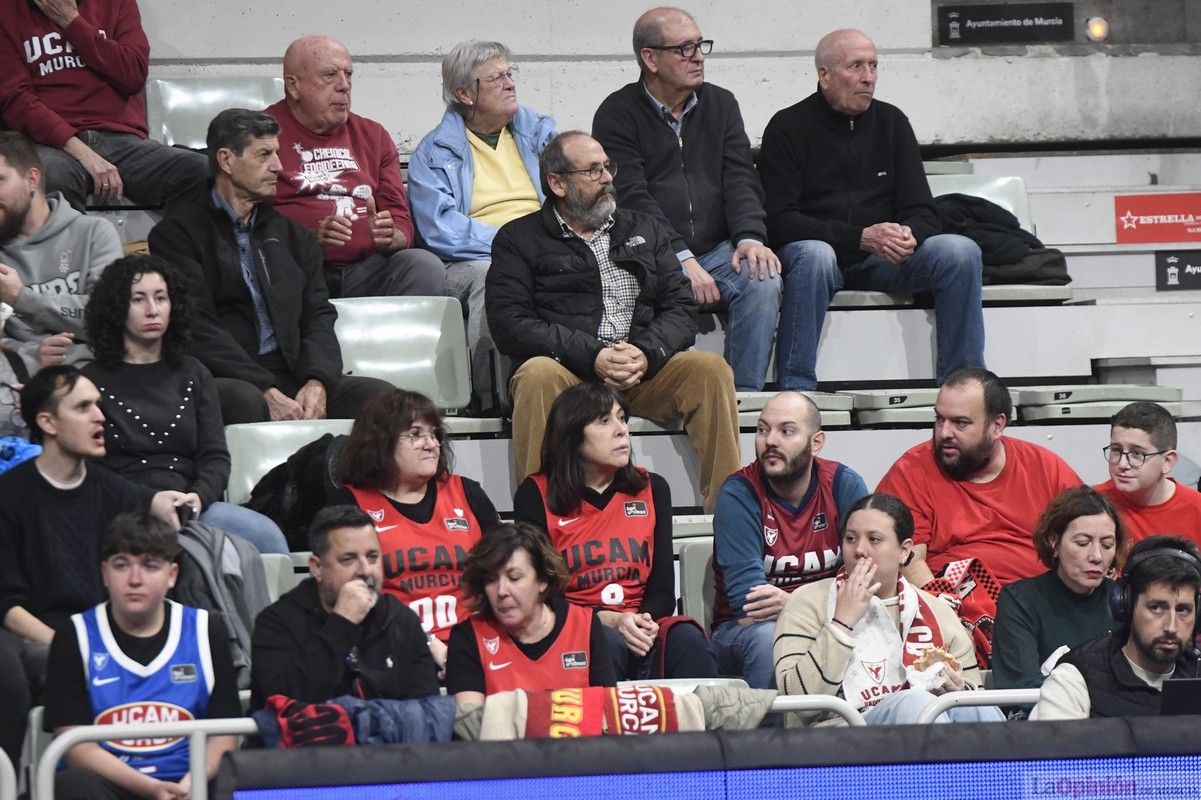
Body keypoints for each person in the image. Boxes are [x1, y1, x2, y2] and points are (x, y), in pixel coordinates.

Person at [486, 130, 739, 513]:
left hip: (643, 371)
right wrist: (593, 356)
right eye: (592, 171)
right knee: (535, 375)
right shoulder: (518, 239)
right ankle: (537, 525)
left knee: (709, 369)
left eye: (608, 167)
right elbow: (510, 323)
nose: (607, 178)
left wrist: (645, 352)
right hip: (570, 375)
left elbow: (680, 306)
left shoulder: (645, 228)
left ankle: (728, 516)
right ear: (557, 183)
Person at [756, 29, 985, 391]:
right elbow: (779, 222)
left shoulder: (892, 123)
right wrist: (859, 238)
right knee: (813, 255)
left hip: (885, 259)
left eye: (874, 66)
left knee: (959, 251)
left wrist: (910, 234)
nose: (869, 77)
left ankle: (965, 388)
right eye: (856, 66)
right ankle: (796, 389)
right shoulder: (788, 127)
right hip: (821, 258)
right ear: (824, 75)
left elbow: (924, 211)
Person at [0, 365, 196, 767]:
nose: (100, 417)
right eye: (84, 407)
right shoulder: (10, 496)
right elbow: (5, 604)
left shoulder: (116, 491)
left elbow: (145, 568)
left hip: (112, 632)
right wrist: (74, 647)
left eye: (99, 406)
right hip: (41, 637)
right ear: (47, 422)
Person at [148, 108, 392, 424]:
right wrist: (264, 387)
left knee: (387, 402)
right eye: (265, 154)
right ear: (226, 160)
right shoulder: (177, 237)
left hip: (292, 373)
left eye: (277, 153)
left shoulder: (294, 237)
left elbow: (318, 315)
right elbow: (196, 326)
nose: (278, 166)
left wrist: (318, 381)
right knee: (246, 402)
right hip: (225, 377)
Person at [592, 7, 781, 391]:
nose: (698, 57)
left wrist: (749, 237)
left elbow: (741, 178)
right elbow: (632, 199)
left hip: (717, 249)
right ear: (650, 58)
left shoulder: (722, 104)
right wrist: (680, 257)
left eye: (700, 45)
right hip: (651, 255)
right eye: (684, 49)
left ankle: (744, 398)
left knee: (762, 278)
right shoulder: (617, 113)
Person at [81, 253, 289, 553]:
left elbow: (215, 456)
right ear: (116, 308)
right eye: (138, 299)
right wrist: (147, 501)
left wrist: (198, 497)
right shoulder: (90, 380)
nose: (152, 310)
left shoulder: (194, 372)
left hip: (190, 505)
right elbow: (86, 469)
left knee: (267, 538)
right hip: (120, 505)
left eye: (161, 298)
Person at [514, 382, 717, 680]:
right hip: (575, 630)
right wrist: (608, 620)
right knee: (604, 642)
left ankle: (699, 727)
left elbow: (662, 590)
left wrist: (636, 622)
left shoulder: (653, 489)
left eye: (622, 418)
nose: (622, 430)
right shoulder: (535, 495)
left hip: (642, 625)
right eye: (604, 421)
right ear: (572, 435)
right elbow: (538, 595)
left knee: (687, 638)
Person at [44, 512, 240, 800]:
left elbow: (226, 733)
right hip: (110, 784)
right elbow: (75, 748)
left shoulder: (205, 629)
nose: (135, 579)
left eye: (150, 566)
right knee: (74, 788)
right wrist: (151, 789)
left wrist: (190, 785)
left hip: (191, 782)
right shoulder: (75, 635)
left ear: (171, 575)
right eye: (122, 566)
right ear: (104, 574)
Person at [409, 40, 556, 411]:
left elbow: (573, 192)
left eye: (510, 73)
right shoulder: (434, 153)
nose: (510, 83)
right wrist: (517, 246)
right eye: (496, 78)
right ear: (464, 93)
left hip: (547, 243)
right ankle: (494, 401)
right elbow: (441, 231)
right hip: (474, 258)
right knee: (493, 276)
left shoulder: (542, 135)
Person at [773, 493, 1000, 726]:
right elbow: (799, 702)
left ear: (904, 550)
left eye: (874, 539)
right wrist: (842, 622)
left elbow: (975, 692)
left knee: (976, 710)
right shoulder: (808, 601)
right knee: (916, 703)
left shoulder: (937, 609)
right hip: (838, 736)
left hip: (925, 728)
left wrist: (958, 687)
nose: (860, 549)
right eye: (851, 539)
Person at [331, 388, 502, 673]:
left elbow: (504, 572)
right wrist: (425, 643)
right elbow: (350, 596)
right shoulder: (351, 503)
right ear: (380, 442)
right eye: (415, 434)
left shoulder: (466, 493)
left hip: (475, 645)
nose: (431, 444)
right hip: (391, 650)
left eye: (434, 434)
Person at [267, 36, 444, 300]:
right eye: (330, 75)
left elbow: (399, 217)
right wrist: (307, 240)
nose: (344, 85)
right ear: (293, 86)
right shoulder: (261, 134)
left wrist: (391, 236)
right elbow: (247, 220)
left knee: (423, 266)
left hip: (366, 269)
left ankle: (397, 343)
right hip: (295, 268)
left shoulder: (373, 135)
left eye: (348, 74)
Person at [711, 391, 869, 689]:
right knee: (766, 636)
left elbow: (865, 575)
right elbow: (750, 604)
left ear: (816, 442)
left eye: (786, 431)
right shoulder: (738, 494)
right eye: (762, 429)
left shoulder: (843, 485)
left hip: (825, 620)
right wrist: (834, 605)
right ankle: (773, 736)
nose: (770, 440)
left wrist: (794, 603)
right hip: (740, 631)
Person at [877, 367, 1081, 587]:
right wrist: (945, 611)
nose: (944, 432)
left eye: (960, 423)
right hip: (952, 606)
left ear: (997, 426)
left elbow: (1089, 537)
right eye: (939, 419)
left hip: (1039, 604)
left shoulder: (1047, 469)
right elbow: (908, 561)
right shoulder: (911, 471)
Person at [0, 0, 207, 211]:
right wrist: (82, 152)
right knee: (51, 176)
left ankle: (171, 244)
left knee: (200, 171)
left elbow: (133, 74)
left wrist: (71, 21)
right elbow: (17, 100)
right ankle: (77, 245)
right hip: (53, 145)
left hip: (123, 142)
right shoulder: (7, 10)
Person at [250, 505, 439, 709]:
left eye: (372, 557)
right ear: (317, 567)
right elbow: (284, 706)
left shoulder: (401, 620)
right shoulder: (276, 624)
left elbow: (429, 713)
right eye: (348, 559)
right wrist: (342, 623)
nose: (365, 570)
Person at [1030, 535, 1201, 719]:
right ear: (1125, 605)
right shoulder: (1075, 679)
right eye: (1156, 608)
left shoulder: (1195, 669)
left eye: (1183, 610)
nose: (1171, 627)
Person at [445, 521, 617, 702]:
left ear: (542, 580)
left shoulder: (584, 626)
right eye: (491, 579)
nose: (502, 591)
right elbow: (470, 725)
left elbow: (606, 715)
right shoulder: (467, 636)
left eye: (514, 578)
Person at [0, 131, 121, 373]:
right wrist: (29, 355)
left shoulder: (94, 233)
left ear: (32, 179)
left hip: (100, 377)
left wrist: (21, 298)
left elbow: (109, 320)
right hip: (25, 386)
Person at [992, 487, 1126, 690]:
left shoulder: (1125, 599)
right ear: (1054, 541)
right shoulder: (1020, 600)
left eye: (1107, 545)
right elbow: (1021, 687)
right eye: (1083, 543)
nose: (1097, 556)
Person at [1095, 401, 1201, 546]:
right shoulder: (1092, 503)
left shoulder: (1196, 509)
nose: (1122, 464)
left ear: (1167, 461)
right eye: (1116, 450)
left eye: (1137, 454)